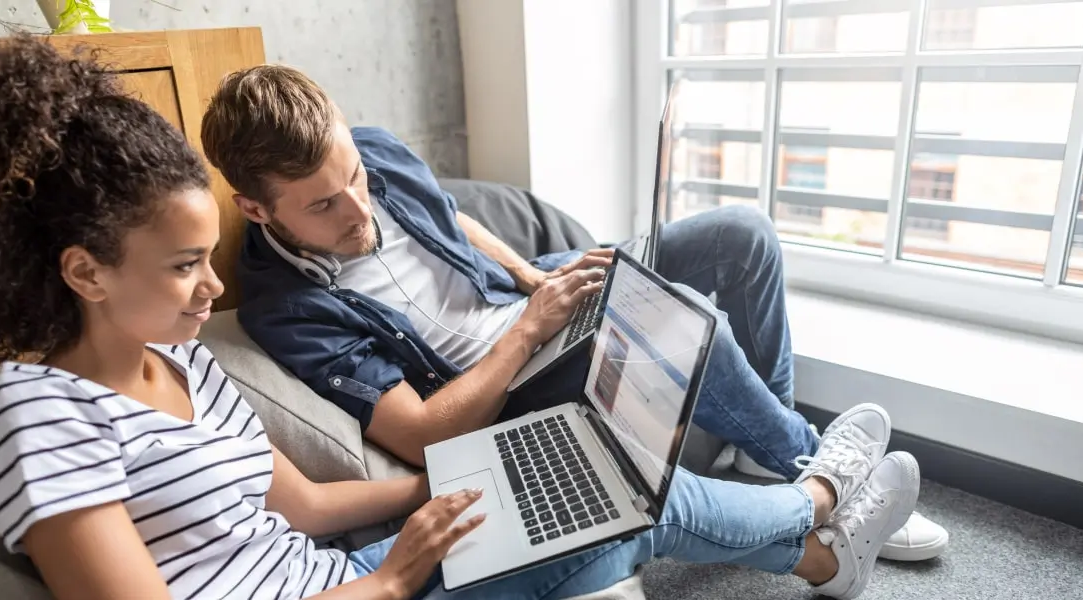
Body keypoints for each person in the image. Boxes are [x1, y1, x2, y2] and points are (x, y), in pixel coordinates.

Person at [0, 35, 920, 600]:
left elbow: (308, 509)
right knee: (620, 507)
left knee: (588, 486)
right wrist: (394, 582)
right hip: (358, 593)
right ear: (84, 271)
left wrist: (459, 486)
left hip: (341, 569)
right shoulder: (29, 412)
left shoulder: (183, 368)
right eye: (186, 266)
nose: (213, 288)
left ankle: (816, 527)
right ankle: (819, 517)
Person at [200, 65, 949, 562]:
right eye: (325, 205)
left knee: (740, 238)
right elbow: (426, 433)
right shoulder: (284, 308)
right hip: (508, 380)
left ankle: (763, 443)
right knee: (682, 320)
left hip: (528, 298)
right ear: (255, 207)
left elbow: (452, 215)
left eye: (356, 179)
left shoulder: (372, 150)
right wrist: (533, 324)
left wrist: (529, 277)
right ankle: (820, 475)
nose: (358, 209)